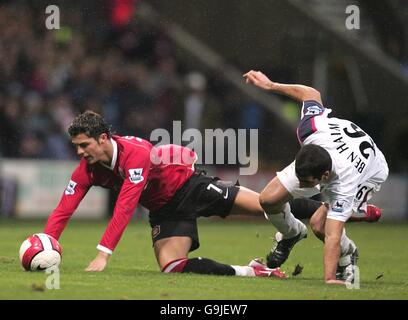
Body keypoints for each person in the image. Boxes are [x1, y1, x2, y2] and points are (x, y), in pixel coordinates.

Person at [44, 110, 313, 278]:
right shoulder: (87, 169)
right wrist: (47, 243)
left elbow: (125, 207)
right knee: (172, 267)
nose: (79, 152)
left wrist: (103, 254)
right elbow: (64, 208)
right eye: (76, 146)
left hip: (190, 187)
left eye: (84, 145)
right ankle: (251, 271)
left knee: (265, 204)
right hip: (166, 210)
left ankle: (320, 211)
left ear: (103, 138)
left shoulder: (134, 155)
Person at [243, 70, 389, 284]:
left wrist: (328, 278)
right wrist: (272, 85)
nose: (301, 187)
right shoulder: (310, 131)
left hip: (368, 171)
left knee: (321, 225)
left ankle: (348, 254)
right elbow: (311, 93)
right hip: (326, 149)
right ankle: (292, 233)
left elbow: (333, 234)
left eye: (307, 183)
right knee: (268, 200)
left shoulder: (344, 182)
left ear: (324, 176)